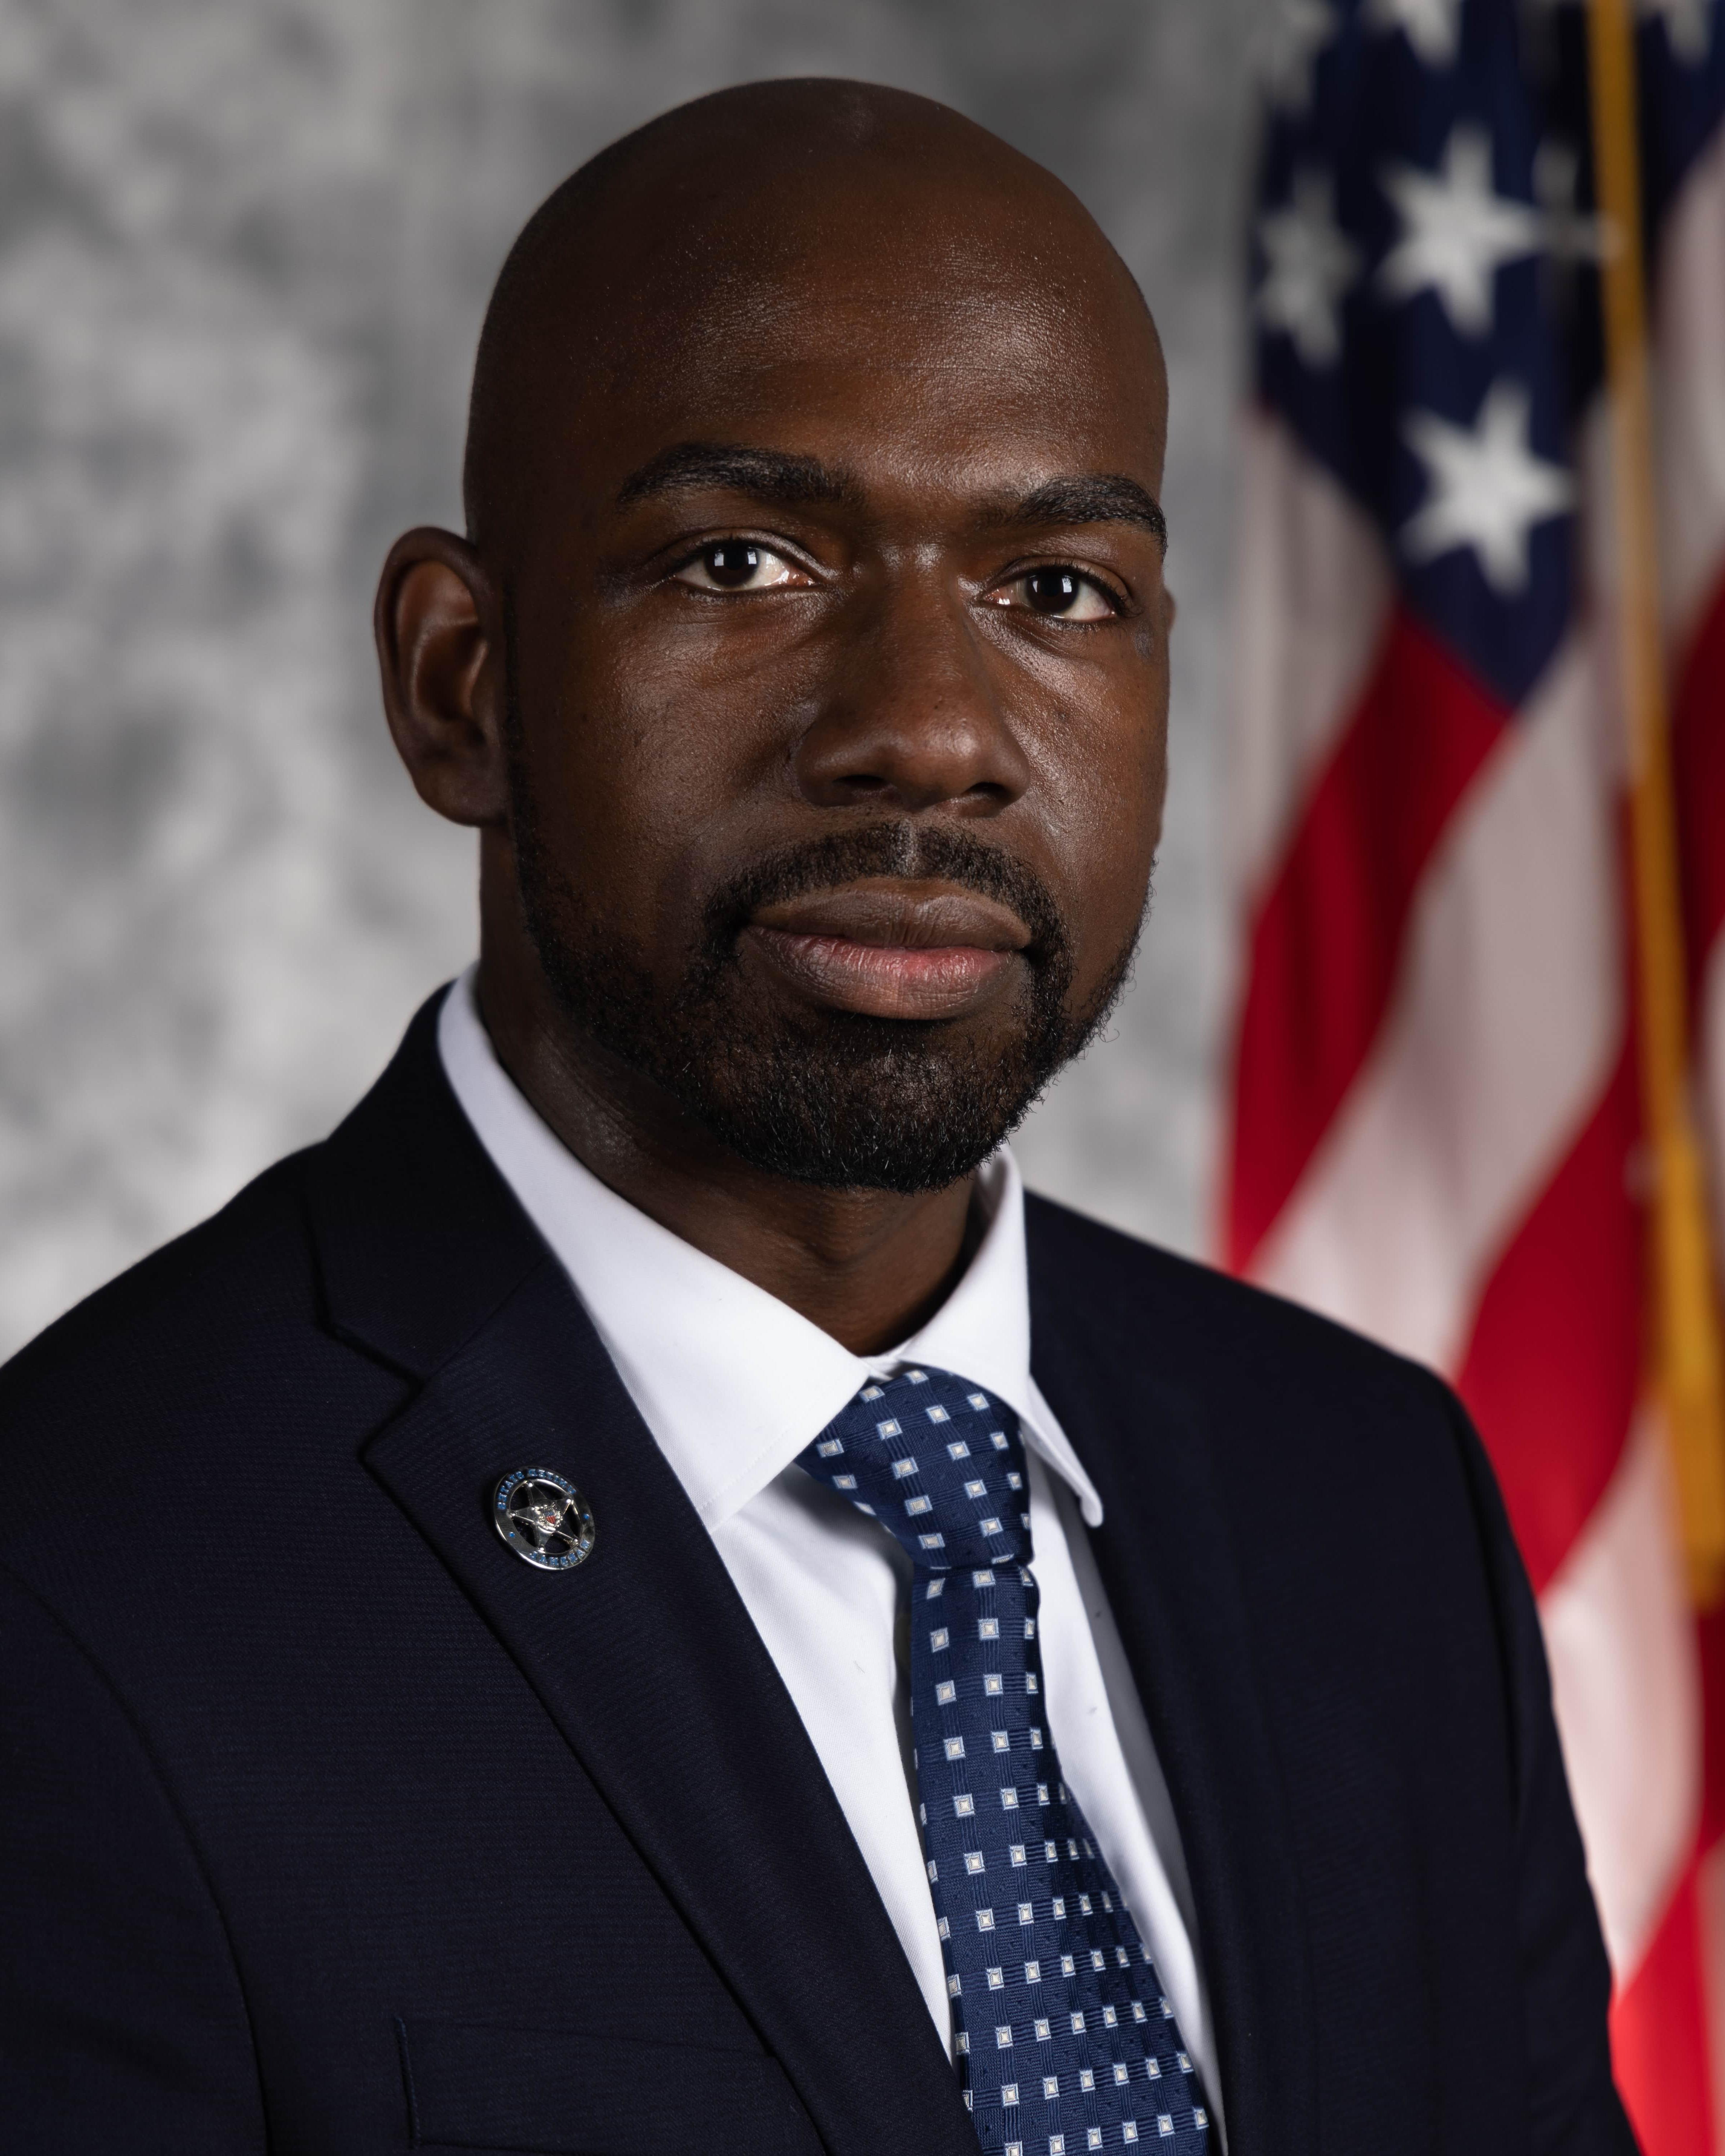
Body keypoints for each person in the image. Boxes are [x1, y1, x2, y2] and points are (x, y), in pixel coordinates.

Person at [0, 78, 1632, 2156]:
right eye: (745, 560)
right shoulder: (80, 1599)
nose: (931, 734)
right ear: (460, 687)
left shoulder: (1366, 1496)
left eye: (1055, 589)